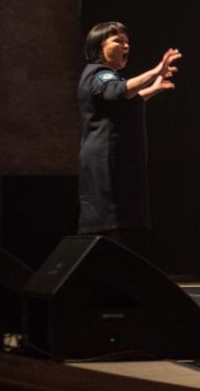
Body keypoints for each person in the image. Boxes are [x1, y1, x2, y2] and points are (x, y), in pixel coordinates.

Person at [77, 23, 180, 251]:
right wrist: (155, 72)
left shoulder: (107, 77)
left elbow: (124, 101)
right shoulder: (98, 73)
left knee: (123, 224)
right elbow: (117, 91)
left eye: (127, 42)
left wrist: (154, 88)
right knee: (111, 225)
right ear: (99, 46)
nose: (126, 46)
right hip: (106, 164)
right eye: (118, 41)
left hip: (117, 163)